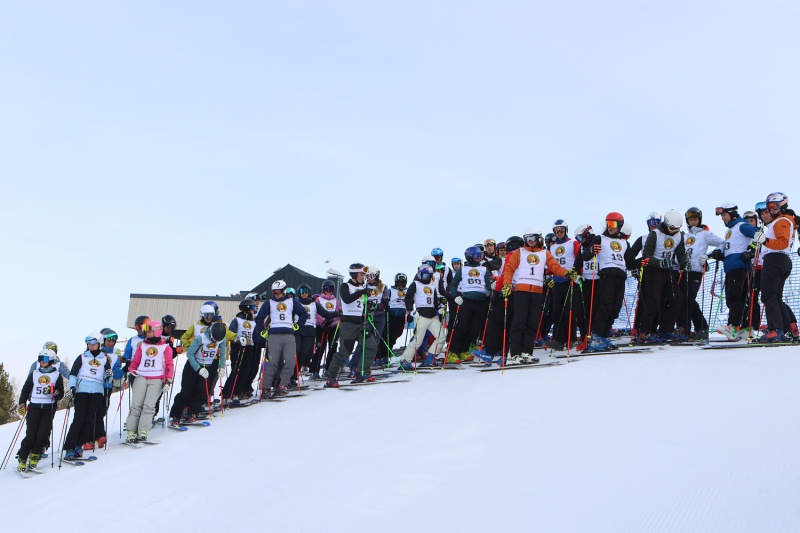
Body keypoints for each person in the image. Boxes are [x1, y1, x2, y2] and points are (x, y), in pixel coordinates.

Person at [501, 226, 575, 364]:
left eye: (533, 238)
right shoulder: (520, 252)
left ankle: (526, 352)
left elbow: (555, 267)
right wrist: (507, 284)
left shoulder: (544, 253)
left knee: (533, 322)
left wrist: (567, 273)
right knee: (519, 321)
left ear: (539, 238)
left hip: (536, 291)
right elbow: (509, 269)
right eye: (528, 238)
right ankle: (514, 353)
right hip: (521, 290)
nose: (531, 241)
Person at [634, 209, 687, 343]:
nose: (674, 231)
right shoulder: (655, 234)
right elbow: (646, 256)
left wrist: (684, 263)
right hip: (654, 271)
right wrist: (659, 263)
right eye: (672, 228)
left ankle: (666, 329)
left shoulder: (679, 235)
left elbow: (680, 252)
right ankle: (644, 331)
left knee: (677, 299)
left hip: (668, 270)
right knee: (654, 301)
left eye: (677, 228)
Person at [710, 202, 758, 340]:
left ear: (731, 214)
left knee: (734, 298)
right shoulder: (729, 231)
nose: (723, 218)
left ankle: (732, 326)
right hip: (730, 268)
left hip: (739, 267)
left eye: (724, 215)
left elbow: (758, 234)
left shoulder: (741, 226)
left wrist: (751, 251)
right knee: (739, 299)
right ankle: (744, 329)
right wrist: (719, 254)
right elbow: (729, 248)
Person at [582, 213, 630, 351]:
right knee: (605, 306)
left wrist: (643, 261)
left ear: (620, 226)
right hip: (606, 276)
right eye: (608, 223)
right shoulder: (600, 238)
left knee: (615, 309)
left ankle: (603, 336)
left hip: (620, 277)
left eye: (613, 224)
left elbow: (631, 261)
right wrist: (592, 249)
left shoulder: (624, 242)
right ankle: (596, 337)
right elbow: (586, 255)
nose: (610, 227)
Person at [325, 264, 378, 386]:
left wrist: (368, 306)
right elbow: (347, 299)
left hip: (360, 323)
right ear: (354, 275)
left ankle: (361, 371)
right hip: (348, 324)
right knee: (344, 352)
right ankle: (330, 377)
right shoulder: (345, 286)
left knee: (371, 346)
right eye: (361, 274)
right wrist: (362, 292)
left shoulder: (362, 287)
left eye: (364, 275)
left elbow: (360, 304)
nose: (363, 277)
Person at [63, 333, 113, 461]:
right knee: (79, 419)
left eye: (94, 343)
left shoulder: (104, 359)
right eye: (89, 343)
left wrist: (109, 375)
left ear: (99, 343)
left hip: (97, 391)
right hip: (82, 390)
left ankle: (79, 444)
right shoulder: (82, 357)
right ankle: (70, 447)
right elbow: (73, 374)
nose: (91, 346)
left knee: (89, 420)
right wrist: (72, 387)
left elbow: (108, 381)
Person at [255, 280, 309, 396]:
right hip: (274, 335)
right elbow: (259, 318)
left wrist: (298, 325)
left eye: (278, 292)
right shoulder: (269, 303)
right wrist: (262, 331)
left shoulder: (292, 302)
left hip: (289, 335)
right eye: (274, 292)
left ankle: (282, 385)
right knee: (273, 363)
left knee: (290, 361)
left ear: (284, 291)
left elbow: (304, 314)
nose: (276, 295)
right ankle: (266, 388)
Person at [168, 322, 227, 427]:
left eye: (217, 340)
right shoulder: (201, 338)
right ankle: (175, 415)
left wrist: (221, 367)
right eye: (214, 339)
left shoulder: (221, 339)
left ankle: (192, 412)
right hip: (193, 366)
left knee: (202, 393)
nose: (215, 341)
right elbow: (190, 354)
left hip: (208, 366)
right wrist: (198, 369)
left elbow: (222, 354)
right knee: (186, 391)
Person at [757, 192, 798, 342]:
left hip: (775, 259)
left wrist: (764, 240)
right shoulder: (783, 220)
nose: (771, 210)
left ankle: (776, 329)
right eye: (769, 207)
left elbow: (782, 243)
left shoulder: (782, 221)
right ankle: (784, 329)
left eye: (774, 207)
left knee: (768, 295)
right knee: (775, 296)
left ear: (783, 206)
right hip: (780, 260)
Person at [125, 320, 174, 442]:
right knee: (136, 405)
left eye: (150, 331)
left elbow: (169, 364)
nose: (147, 333)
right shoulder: (142, 345)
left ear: (157, 332)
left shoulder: (165, 347)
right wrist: (131, 369)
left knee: (149, 406)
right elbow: (135, 361)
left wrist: (168, 380)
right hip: (141, 377)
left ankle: (143, 430)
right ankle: (131, 431)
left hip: (156, 379)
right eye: (147, 331)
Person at [16, 349, 64, 472]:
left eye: (45, 359)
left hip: (48, 408)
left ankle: (35, 456)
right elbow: (26, 389)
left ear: (51, 360)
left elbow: (60, 393)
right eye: (40, 358)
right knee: (31, 435)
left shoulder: (56, 375)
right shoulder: (35, 373)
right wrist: (22, 403)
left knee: (42, 435)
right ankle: (22, 457)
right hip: (34, 407)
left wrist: (55, 393)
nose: (42, 361)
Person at [679, 208, 725, 340]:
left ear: (699, 220)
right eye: (690, 220)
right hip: (684, 271)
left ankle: (684, 329)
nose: (693, 222)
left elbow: (721, 243)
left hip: (696, 271)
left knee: (688, 299)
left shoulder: (705, 234)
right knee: (685, 300)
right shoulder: (685, 236)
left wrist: (708, 256)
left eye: (695, 219)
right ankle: (701, 328)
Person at [546, 219, 588, 351]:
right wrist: (548, 276)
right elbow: (550, 266)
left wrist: (577, 273)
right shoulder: (552, 247)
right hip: (557, 281)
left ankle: (571, 338)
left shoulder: (573, 243)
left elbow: (579, 259)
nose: (559, 232)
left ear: (566, 230)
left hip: (570, 280)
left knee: (569, 311)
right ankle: (559, 339)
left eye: (562, 230)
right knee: (556, 311)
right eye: (557, 230)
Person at [399, 264, 450, 367]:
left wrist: (439, 307)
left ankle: (431, 357)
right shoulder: (415, 284)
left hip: (433, 316)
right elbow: (408, 298)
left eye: (429, 276)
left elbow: (435, 301)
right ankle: (405, 360)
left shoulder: (432, 286)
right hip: (421, 315)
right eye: (425, 276)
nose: (427, 278)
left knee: (441, 338)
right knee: (418, 340)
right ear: (420, 274)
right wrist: (410, 310)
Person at [448, 246, 493, 361]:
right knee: (462, 326)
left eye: (479, 256)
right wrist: (456, 296)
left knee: (475, 329)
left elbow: (488, 284)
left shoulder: (483, 269)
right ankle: (452, 351)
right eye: (476, 256)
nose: (478, 258)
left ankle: (464, 349)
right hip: (467, 301)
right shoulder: (463, 270)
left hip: (481, 301)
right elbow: (453, 285)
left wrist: (492, 287)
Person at [222, 299, 259, 404]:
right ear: (247, 309)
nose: (254, 310)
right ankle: (227, 393)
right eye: (252, 308)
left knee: (245, 371)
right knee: (236, 370)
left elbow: (255, 335)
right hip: (238, 347)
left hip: (249, 347)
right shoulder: (237, 320)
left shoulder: (253, 321)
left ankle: (236, 392)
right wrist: (238, 339)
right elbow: (231, 332)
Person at [309, 280, 340, 379]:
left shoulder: (335, 301)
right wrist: (323, 321)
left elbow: (338, 312)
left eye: (330, 289)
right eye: (326, 289)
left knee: (333, 348)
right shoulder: (319, 300)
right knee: (320, 348)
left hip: (333, 326)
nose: (328, 291)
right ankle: (314, 370)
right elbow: (317, 313)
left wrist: (333, 321)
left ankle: (328, 369)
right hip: (321, 326)